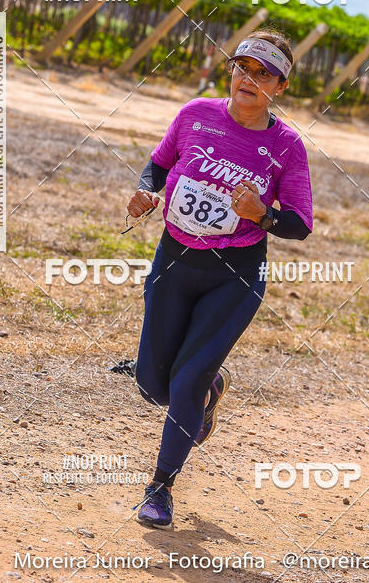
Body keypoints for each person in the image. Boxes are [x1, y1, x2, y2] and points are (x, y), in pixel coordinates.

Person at [128, 29, 313, 528]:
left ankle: (160, 489)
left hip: (233, 277)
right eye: (242, 67)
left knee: (185, 380)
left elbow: (300, 223)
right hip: (173, 261)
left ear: (281, 87)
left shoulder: (287, 147)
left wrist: (264, 215)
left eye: (263, 73)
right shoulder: (195, 115)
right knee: (153, 383)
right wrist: (146, 192)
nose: (248, 78)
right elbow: (158, 165)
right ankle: (208, 395)